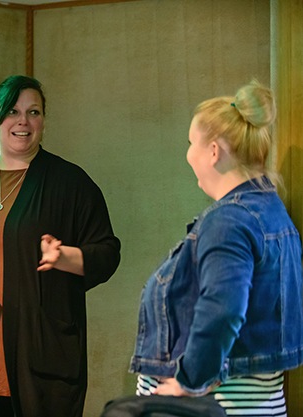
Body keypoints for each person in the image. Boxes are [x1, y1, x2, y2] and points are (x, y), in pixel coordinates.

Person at [0, 75, 121, 417]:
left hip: (43, 361)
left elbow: (107, 252)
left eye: (33, 112)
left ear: (43, 121)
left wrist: (66, 257)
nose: (23, 121)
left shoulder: (70, 183)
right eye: (13, 111)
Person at [129, 81, 303, 416]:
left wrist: (190, 379)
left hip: (218, 406)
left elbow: (223, 308)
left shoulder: (229, 221)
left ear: (213, 151)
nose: (187, 155)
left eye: (191, 143)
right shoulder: (270, 211)